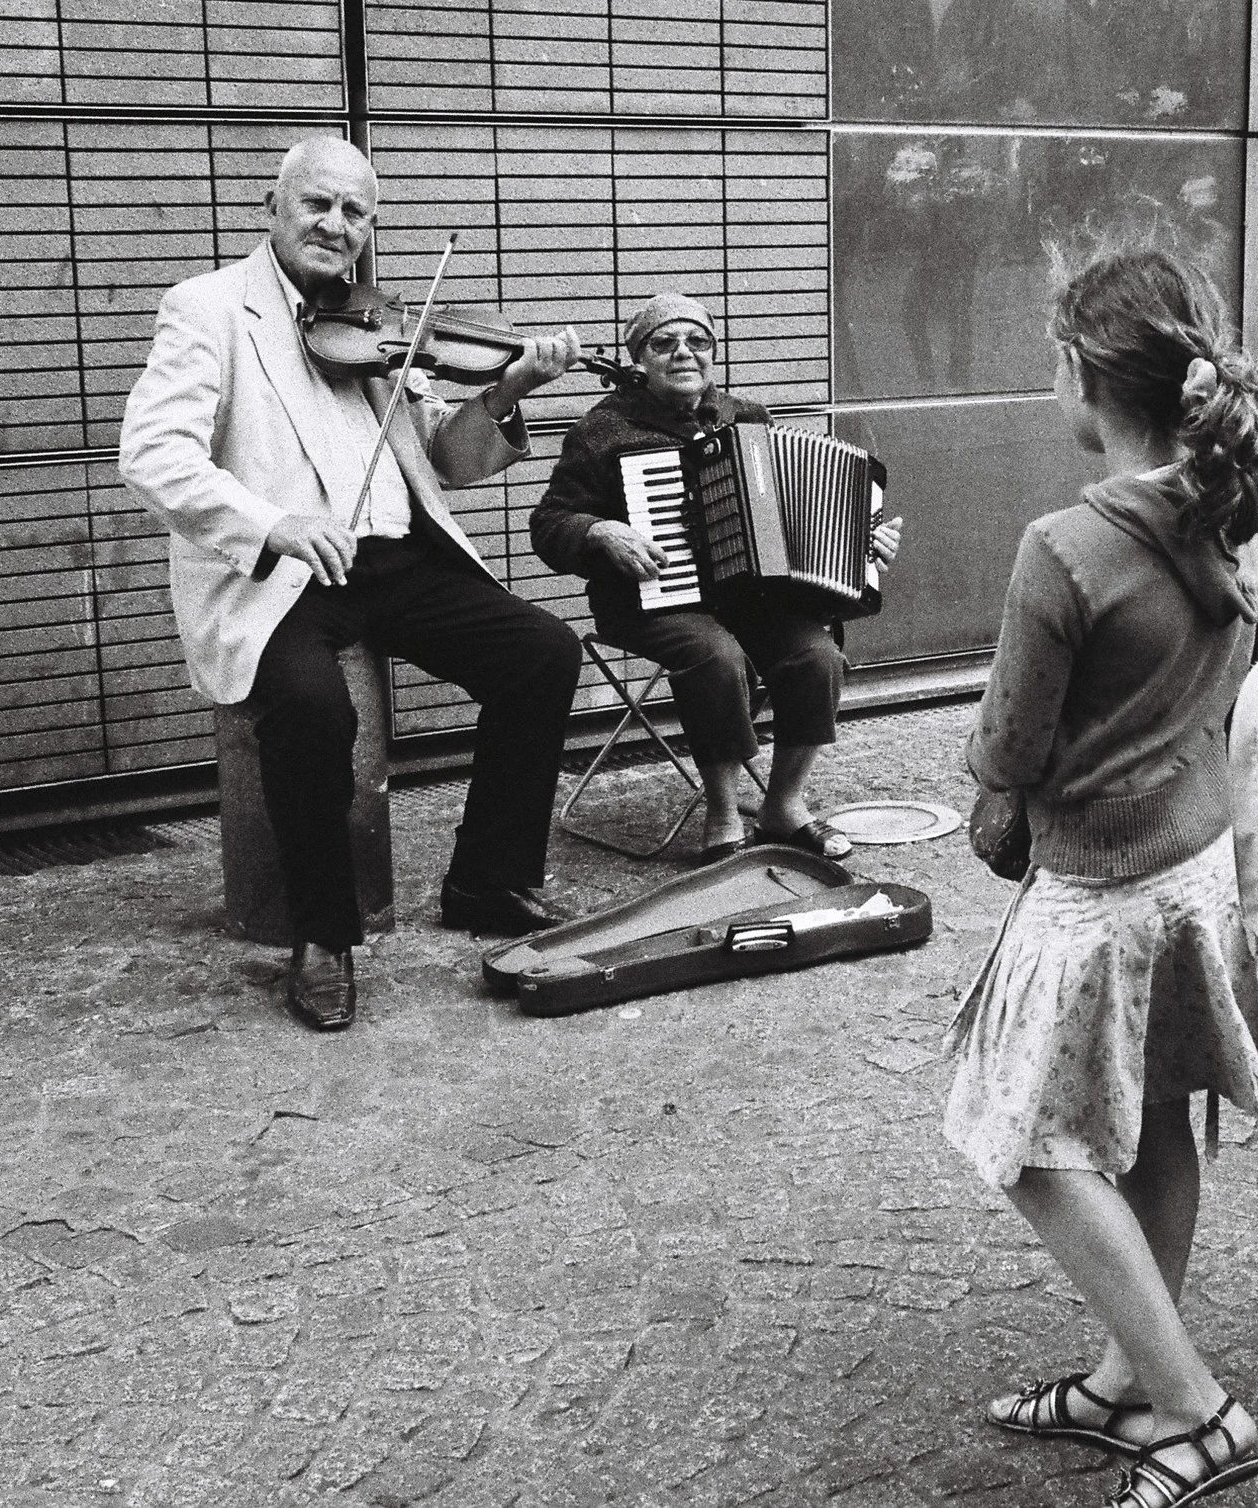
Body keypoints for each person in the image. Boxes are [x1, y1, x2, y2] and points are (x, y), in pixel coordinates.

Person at [944, 249, 1258, 1508]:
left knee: (1023, 1139)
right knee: (1151, 1117)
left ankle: (1195, 1407)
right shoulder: (1235, 509)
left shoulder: (1067, 543)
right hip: (1192, 871)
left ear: (1090, 378)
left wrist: (982, 763)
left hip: (1094, 890)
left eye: (1057, 356)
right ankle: (1121, 1378)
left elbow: (1012, 746)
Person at [120, 137, 586, 1033]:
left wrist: (505, 393)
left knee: (542, 652)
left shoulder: (374, 321)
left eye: (357, 211)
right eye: (318, 205)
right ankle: (324, 937)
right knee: (313, 709)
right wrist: (275, 524)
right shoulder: (208, 308)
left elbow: (447, 458)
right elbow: (152, 454)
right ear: (275, 205)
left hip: (393, 557)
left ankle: (486, 879)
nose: (337, 226)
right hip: (283, 570)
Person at [529, 294, 901, 862]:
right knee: (716, 656)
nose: (684, 354)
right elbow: (550, 523)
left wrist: (862, 537)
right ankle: (724, 812)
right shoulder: (603, 430)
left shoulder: (746, 417)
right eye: (664, 344)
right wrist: (600, 531)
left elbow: (799, 509)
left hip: (753, 597)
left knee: (817, 657)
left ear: (713, 354)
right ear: (640, 358)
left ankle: (784, 806)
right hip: (655, 599)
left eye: (698, 342)